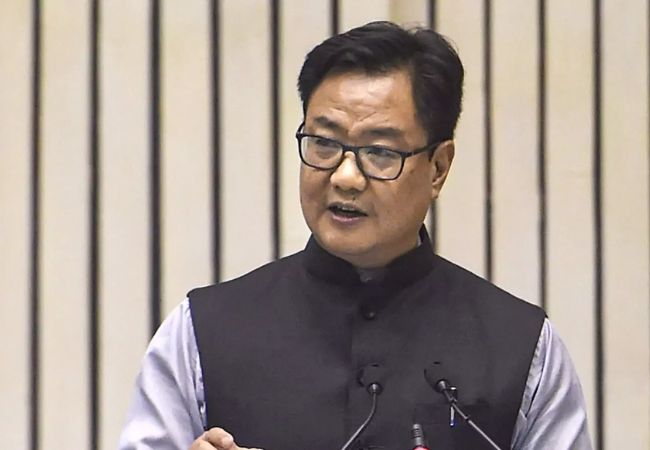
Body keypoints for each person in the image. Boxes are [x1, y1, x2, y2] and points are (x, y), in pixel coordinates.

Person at [119, 21, 592, 450]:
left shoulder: (523, 347)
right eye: (324, 143)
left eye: (380, 152)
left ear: (438, 167)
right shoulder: (201, 332)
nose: (345, 176)